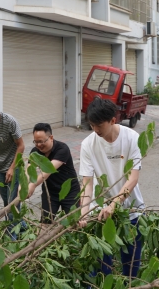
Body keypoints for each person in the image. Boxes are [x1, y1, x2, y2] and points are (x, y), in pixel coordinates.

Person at [78, 97, 145, 280]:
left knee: (130, 267)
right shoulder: (88, 145)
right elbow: (87, 183)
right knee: (100, 268)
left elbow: (133, 178)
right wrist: (84, 212)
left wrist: (114, 204)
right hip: (100, 213)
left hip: (131, 212)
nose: (95, 130)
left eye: (99, 125)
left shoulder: (132, 138)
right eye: (92, 125)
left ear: (113, 120)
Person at [25, 123, 81, 224]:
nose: (38, 145)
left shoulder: (62, 149)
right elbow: (29, 171)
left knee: (73, 224)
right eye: (35, 142)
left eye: (41, 141)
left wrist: (32, 185)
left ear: (51, 137)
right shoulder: (35, 152)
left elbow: (48, 171)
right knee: (45, 223)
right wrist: (23, 186)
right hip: (50, 192)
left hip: (70, 192)